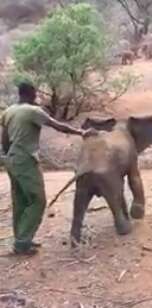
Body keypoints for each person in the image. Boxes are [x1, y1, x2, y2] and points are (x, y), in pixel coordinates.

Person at [0, 82, 97, 255]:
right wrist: (81, 132)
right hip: (25, 160)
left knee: (20, 200)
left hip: (11, 160)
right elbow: (58, 125)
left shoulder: (9, 111)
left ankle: (21, 239)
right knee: (38, 200)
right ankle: (22, 243)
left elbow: (4, 138)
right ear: (32, 94)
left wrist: (8, 158)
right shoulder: (33, 111)